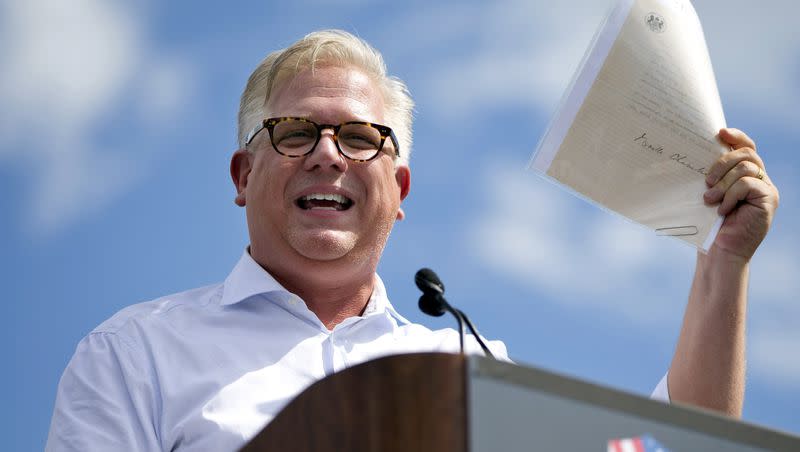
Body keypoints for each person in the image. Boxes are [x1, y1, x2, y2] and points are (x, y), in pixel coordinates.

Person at [45, 30, 779, 451]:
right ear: (243, 175)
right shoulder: (133, 354)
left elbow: (678, 448)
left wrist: (723, 261)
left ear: (398, 194)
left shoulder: (471, 370)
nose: (328, 153)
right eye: (296, 132)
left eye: (362, 138)